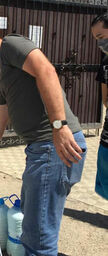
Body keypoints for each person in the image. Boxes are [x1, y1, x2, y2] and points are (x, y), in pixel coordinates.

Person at [0, 24, 87, 255]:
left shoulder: (11, 45)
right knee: (32, 226)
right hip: (41, 150)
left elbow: (46, 71)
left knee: (39, 237)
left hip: (52, 147)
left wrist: (58, 125)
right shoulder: (6, 74)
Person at [91, 13, 108, 200]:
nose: (100, 44)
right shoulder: (105, 64)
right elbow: (105, 100)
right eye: (97, 40)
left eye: (101, 38)